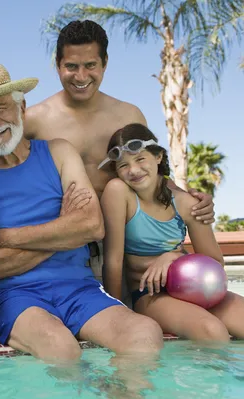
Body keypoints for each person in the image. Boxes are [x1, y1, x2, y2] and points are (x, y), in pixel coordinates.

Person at [0, 64, 164, 362]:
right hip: (13, 297)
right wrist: (64, 230)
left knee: (144, 332)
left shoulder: (58, 151)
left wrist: (6, 237)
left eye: (0, 108)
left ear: (21, 107)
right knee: (58, 345)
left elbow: (92, 226)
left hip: (79, 288)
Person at [23, 20, 216, 280]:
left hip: (124, 245)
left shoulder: (128, 114)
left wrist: (191, 201)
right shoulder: (34, 120)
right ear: (58, 64)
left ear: (104, 63)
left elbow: (149, 174)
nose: (81, 76)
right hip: (63, 247)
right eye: (71, 66)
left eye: (90, 65)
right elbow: (3, 170)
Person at [101, 123, 244, 342]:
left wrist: (172, 257)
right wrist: (119, 316)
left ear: (158, 157)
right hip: (150, 295)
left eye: (140, 159)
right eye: (123, 165)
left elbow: (216, 263)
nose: (133, 170)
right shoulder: (119, 192)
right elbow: (113, 260)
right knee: (212, 331)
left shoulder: (186, 203)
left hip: (195, 287)